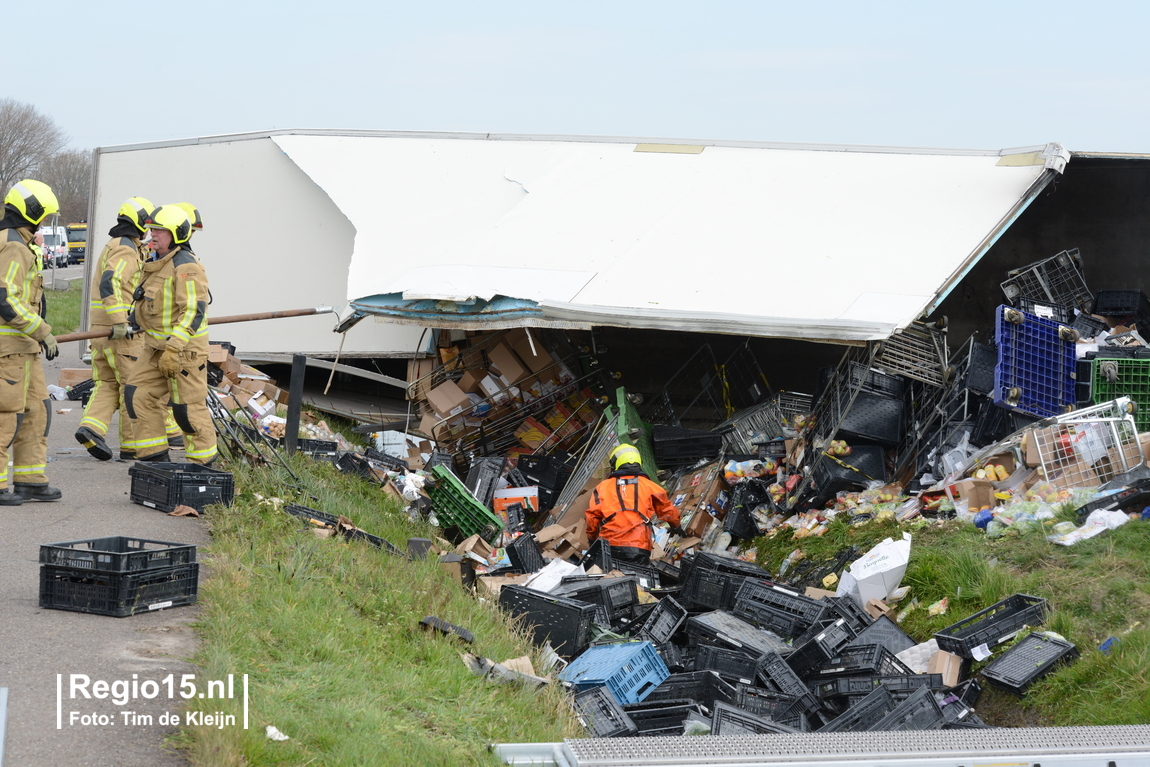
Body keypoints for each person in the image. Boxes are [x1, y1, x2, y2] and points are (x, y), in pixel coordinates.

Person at [125, 204, 216, 465]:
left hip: (183, 351)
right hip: (155, 349)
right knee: (138, 395)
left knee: (186, 409)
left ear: (176, 235)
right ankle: (155, 460)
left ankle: (203, 468)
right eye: (152, 229)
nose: (152, 234)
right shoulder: (155, 261)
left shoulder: (186, 266)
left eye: (160, 231)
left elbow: (193, 311)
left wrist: (174, 349)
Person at [75, 197, 154, 461]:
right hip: (121, 333)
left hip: (100, 330)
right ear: (141, 222)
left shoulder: (115, 244)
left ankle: (91, 428)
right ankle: (132, 448)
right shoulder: (126, 249)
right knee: (132, 387)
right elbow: (111, 282)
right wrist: (121, 320)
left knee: (107, 382)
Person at [0, 180, 62, 505]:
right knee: (5, 414)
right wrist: (41, 330)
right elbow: (4, 298)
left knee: (36, 410)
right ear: (32, 213)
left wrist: (37, 336)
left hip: (24, 349)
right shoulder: (13, 246)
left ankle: (30, 478)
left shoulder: (19, 243)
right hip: (8, 350)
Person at [585, 443, 680, 565]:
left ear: (616, 463)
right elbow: (667, 510)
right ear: (639, 462)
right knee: (636, 579)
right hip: (639, 545)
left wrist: (592, 539)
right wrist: (676, 525)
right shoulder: (651, 486)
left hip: (609, 544)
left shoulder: (603, 487)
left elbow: (592, 517)